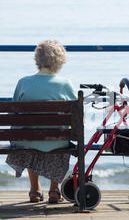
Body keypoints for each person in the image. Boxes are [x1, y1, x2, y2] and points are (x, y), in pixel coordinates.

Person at [6, 40, 77, 203]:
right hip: (57, 142)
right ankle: (54, 190)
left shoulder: (23, 82)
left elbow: (14, 113)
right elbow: (77, 117)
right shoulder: (65, 84)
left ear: (37, 60)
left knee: (30, 137)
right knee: (59, 139)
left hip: (28, 141)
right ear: (60, 61)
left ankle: (35, 190)